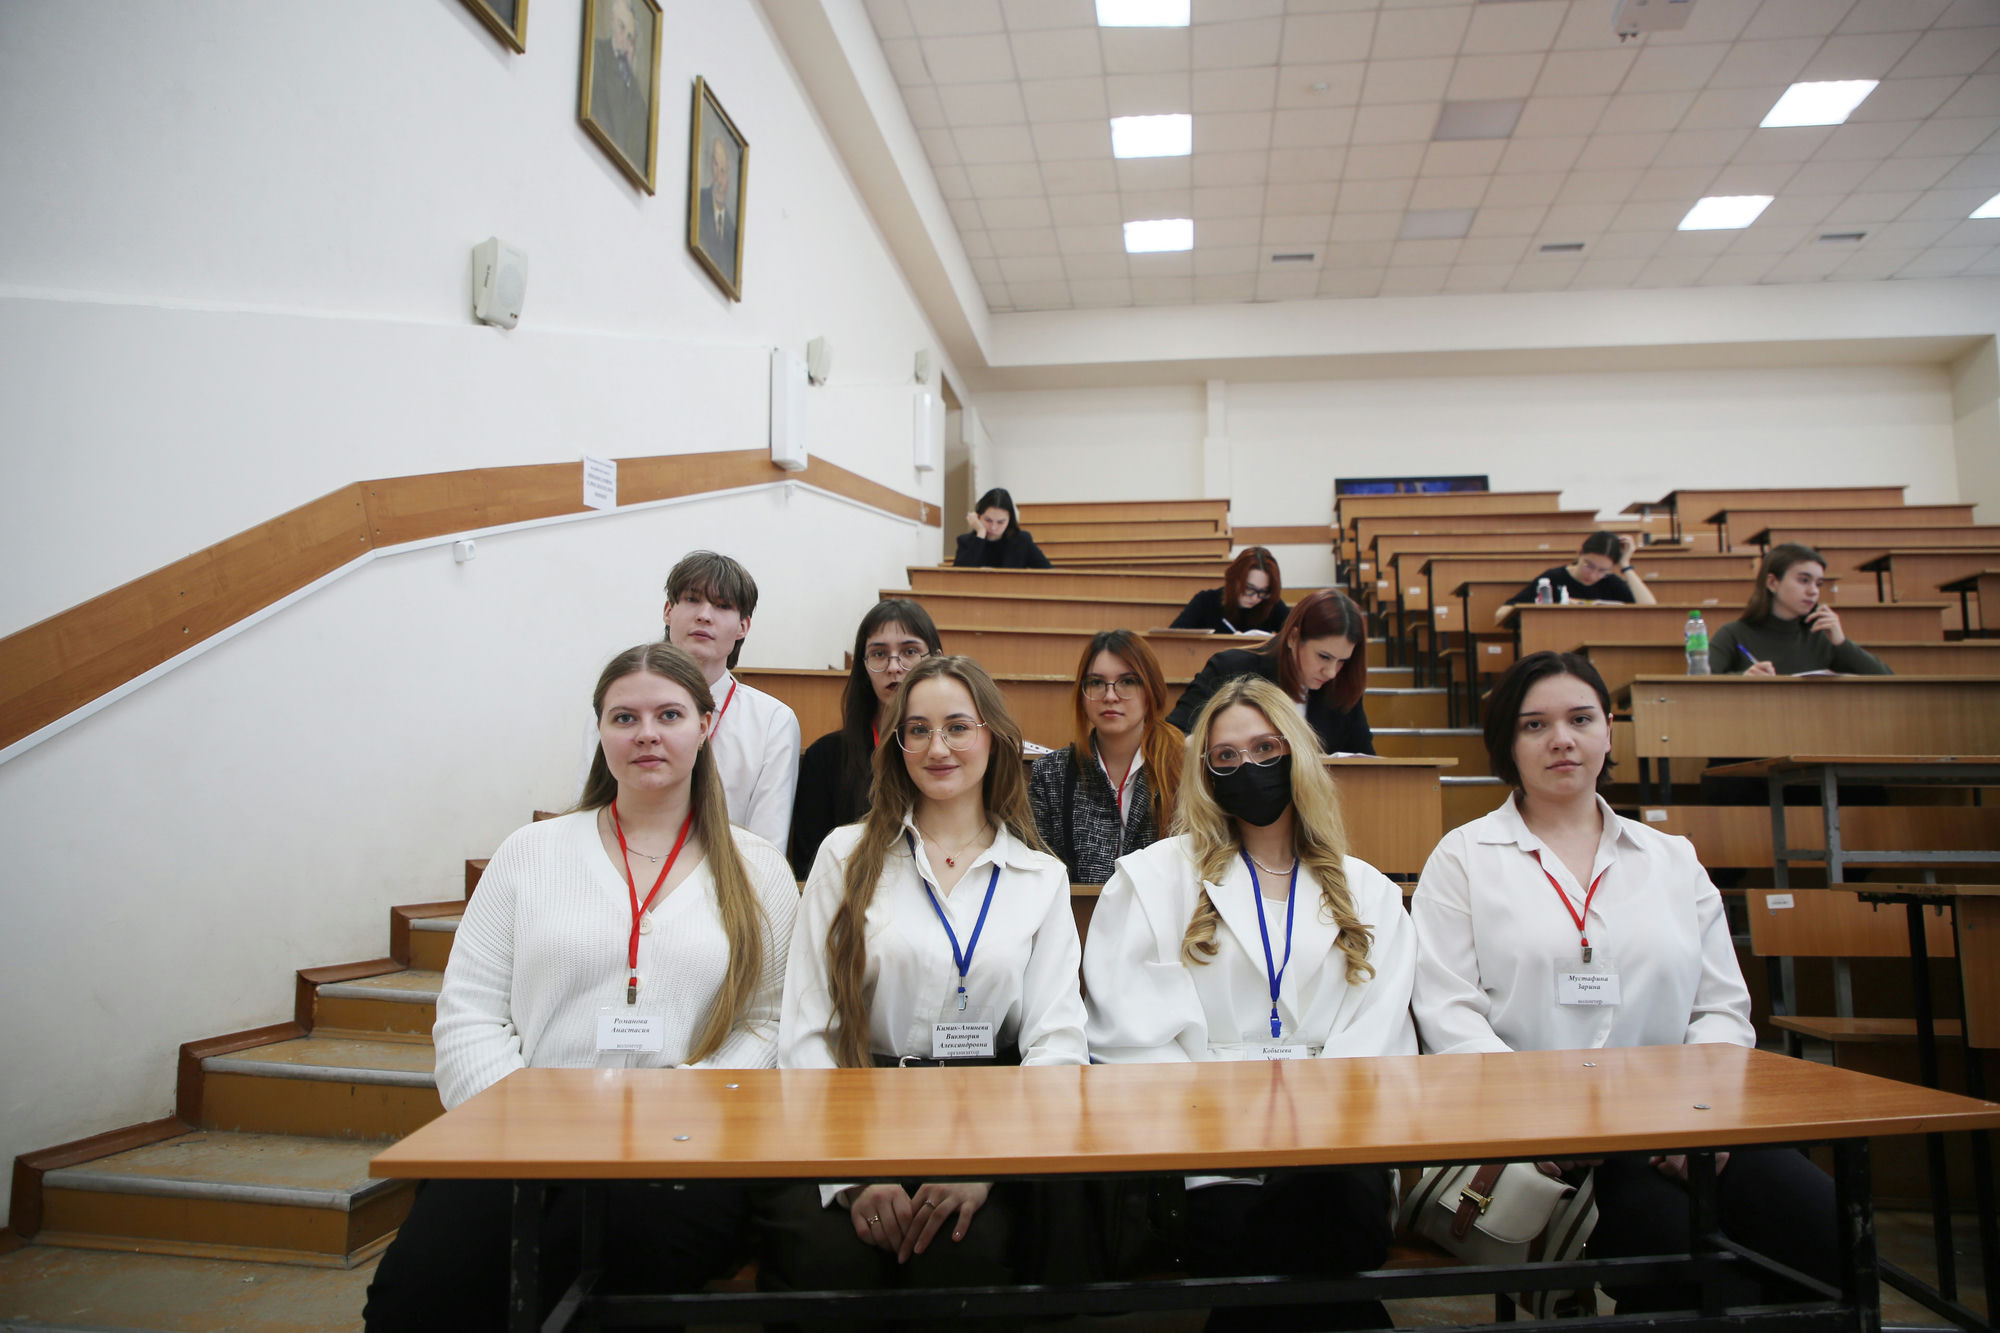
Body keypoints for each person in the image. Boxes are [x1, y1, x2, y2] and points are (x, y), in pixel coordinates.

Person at [364, 643, 798, 1331]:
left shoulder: (760, 869)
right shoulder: (530, 854)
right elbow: (469, 1013)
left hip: (680, 1148)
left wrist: (682, 1104)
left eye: (668, 715)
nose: (646, 733)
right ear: (600, 731)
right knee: (416, 1294)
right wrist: (524, 1118)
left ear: (705, 725)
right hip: (516, 1136)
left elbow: (768, 1023)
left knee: (593, 1296)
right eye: (625, 717)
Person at [1409, 651, 1838, 1314]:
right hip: (1550, 1143)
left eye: (1581, 719)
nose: (1562, 739)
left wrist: (1706, 1116)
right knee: (1689, 1265)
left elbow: (1722, 1007)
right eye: (1534, 725)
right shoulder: (1463, 856)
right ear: (1507, 743)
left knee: (1826, 1231)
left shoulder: (1670, 856)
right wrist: (1531, 1118)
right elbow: (1448, 1011)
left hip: (1684, 1121)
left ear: (1609, 731)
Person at [1084, 674, 1416, 1332]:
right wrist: (1230, 1125)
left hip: (1335, 1150)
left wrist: (1307, 1131)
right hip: (1206, 1152)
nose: (1249, 768)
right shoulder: (1153, 879)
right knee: (1292, 1247)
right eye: (1227, 756)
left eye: (1266, 749)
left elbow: (1378, 1036)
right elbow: (1129, 1035)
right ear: (1206, 772)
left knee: (1313, 1212)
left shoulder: (1369, 891)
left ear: (1298, 753)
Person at [764, 655, 1087, 1313]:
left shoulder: (1040, 877)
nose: (937, 748)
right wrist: (854, 1175)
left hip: (987, 1121)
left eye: (957, 727)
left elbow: (1057, 1041)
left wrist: (985, 1167)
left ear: (994, 738)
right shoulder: (844, 855)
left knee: (965, 1260)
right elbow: (806, 1028)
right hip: (854, 1111)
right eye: (918, 730)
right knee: (833, 1262)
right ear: (897, 743)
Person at [788, 598, 942, 879]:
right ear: (864, 666)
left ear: (935, 660)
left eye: (909, 651)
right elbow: (810, 867)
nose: (894, 667)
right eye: (879, 654)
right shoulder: (826, 757)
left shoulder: (949, 752)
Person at [661, 550, 802, 848]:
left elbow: (767, 848)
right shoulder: (622, 708)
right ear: (668, 611)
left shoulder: (772, 721)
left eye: (722, 605)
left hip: (729, 874)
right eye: (692, 599)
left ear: (743, 627)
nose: (704, 615)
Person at [1027, 630, 1184, 886]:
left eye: (1128, 681)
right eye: (1096, 683)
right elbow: (1038, 874)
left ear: (1151, 691)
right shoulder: (1051, 773)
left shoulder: (1185, 767)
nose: (1110, 696)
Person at [1167, 589, 1373, 755]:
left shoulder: (1342, 689)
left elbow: (1364, 762)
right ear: (1293, 638)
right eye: (1324, 657)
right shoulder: (1230, 668)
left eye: (1342, 661)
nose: (1331, 673)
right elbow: (1173, 734)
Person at [1708, 542, 1890, 676]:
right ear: (1772, 583)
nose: (1813, 591)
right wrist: (1742, 678)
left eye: (1818, 584)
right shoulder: (1733, 635)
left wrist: (1841, 644)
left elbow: (1886, 680)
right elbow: (1701, 685)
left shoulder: (1820, 636)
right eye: (1804, 580)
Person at [1493, 531, 1656, 624]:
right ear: (1580, 553)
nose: (1593, 575)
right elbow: (1502, 613)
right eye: (1588, 565)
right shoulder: (1553, 578)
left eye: (1603, 570)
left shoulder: (1611, 582)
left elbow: (1650, 611)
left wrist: (1625, 565)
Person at [588, 0, 651, 171]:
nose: (624, 40)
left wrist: (628, 76)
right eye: (621, 28)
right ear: (612, 21)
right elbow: (601, 112)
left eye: (630, 36)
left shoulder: (632, 83)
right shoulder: (597, 52)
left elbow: (640, 131)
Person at [1169, 546, 1289, 634]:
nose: (1255, 597)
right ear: (1234, 580)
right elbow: (1174, 638)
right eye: (1249, 588)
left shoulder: (1270, 603)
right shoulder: (1206, 601)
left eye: (1263, 591)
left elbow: (1296, 635)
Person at [953, 487, 1052, 569]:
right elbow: (958, 578)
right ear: (978, 517)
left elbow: (1048, 573)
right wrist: (981, 533)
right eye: (988, 520)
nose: (993, 527)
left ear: (1009, 520)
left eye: (1000, 522)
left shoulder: (1022, 540)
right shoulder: (965, 541)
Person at [697, 133, 739, 271]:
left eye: (724, 170)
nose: (720, 178)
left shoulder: (731, 231)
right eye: (716, 165)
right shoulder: (699, 202)